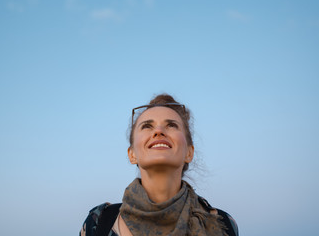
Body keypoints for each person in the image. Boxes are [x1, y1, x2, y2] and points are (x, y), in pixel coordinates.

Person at [80, 94, 238, 236]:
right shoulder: (99, 221)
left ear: (189, 152)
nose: (159, 131)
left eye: (171, 125)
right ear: (132, 154)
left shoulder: (222, 224)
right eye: (147, 126)